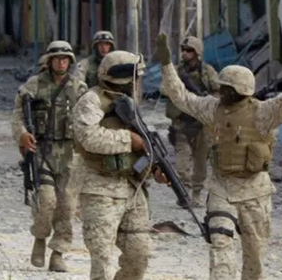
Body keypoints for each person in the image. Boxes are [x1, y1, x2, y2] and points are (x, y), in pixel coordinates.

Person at [157, 32, 282, 280]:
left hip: (255, 192)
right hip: (222, 188)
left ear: (240, 91)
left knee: (255, 257)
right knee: (219, 243)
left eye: (226, 88)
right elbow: (181, 97)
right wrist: (167, 64)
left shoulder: (264, 112)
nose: (221, 92)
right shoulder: (212, 108)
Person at [71, 50, 166, 280]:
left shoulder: (129, 102)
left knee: (139, 255)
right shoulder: (92, 100)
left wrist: (155, 168)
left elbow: (142, 143)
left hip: (132, 188)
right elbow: (89, 137)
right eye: (135, 77)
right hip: (100, 189)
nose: (137, 82)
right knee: (102, 261)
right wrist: (128, 140)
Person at [11, 41, 87, 272]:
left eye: (65, 59)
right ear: (50, 61)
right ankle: (40, 236)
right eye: (57, 59)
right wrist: (22, 134)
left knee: (66, 207)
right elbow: (17, 115)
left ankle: (58, 253)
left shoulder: (79, 88)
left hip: (70, 155)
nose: (61, 63)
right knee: (46, 201)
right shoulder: (34, 85)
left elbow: (90, 118)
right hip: (42, 152)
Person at [165, 35, 219, 206]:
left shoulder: (207, 71)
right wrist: (179, 91)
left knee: (201, 164)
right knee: (182, 165)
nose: (184, 53)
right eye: (183, 50)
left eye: (188, 50)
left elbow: (218, 90)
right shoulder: (177, 71)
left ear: (197, 53)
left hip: (201, 125)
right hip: (181, 123)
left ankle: (196, 194)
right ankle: (184, 193)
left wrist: (206, 99)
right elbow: (164, 88)